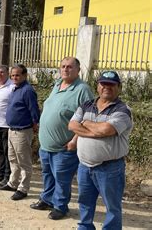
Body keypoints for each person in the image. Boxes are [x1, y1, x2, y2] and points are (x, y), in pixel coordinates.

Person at [31, 57, 94, 220]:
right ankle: (47, 199)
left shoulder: (82, 89)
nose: (66, 69)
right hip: (46, 145)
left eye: (70, 67)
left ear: (78, 70)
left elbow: (88, 119)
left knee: (62, 178)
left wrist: (75, 140)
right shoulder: (58, 84)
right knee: (48, 175)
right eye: (63, 66)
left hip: (64, 147)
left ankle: (60, 206)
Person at [69, 71, 133, 229]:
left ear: (118, 87)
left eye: (112, 84)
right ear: (97, 86)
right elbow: (72, 125)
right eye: (103, 83)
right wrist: (95, 130)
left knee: (112, 206)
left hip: (110, 168)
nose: (107, 87)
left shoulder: (123, 110)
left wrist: (86, 123)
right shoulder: (86, 105)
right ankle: (85, 227)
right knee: (84, 202)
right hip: (84, 165)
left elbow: (106, 130)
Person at [0, 64, 40, 201]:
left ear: (24, 75)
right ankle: (13, 182)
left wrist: (35, 125)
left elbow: (34, 110)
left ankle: (23, 188)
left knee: (24, 161)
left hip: (22, 130)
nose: (15, 77)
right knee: (13, 159)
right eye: (13, 75)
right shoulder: (15, 89)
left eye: (17, 75)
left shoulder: (27, 90)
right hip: (12, 130)